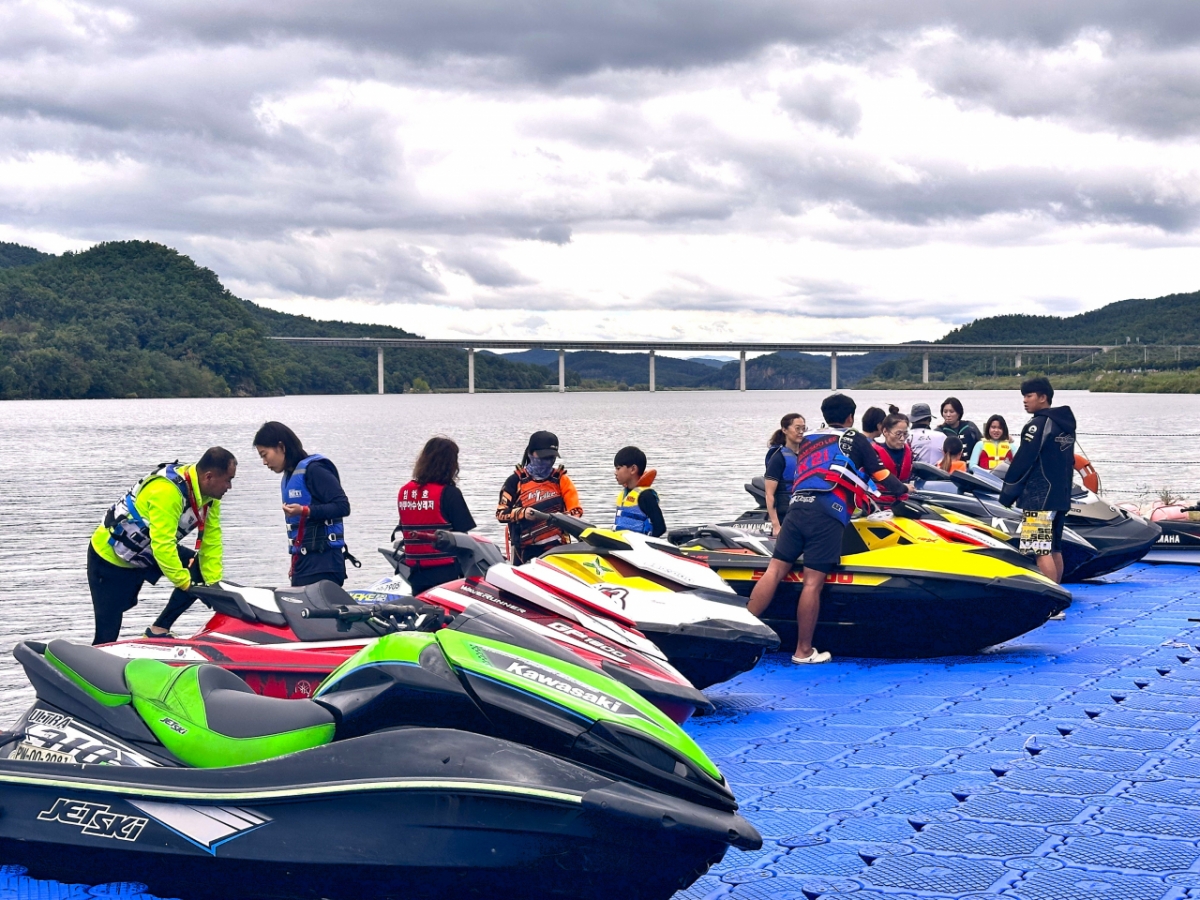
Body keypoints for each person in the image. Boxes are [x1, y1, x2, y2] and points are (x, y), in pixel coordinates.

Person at [747, 393, 907, 664]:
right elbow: (881, 476)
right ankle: (803, 651)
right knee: (812, 582)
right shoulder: (854, 438)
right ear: (850, 417)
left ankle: (744, 633)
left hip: (796, 508)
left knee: (774, 571)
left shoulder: (808, 438)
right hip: (827, 512)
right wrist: (904, 490)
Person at [87, 448, 236, 644]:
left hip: (146, 554)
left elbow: (212, 541)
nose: (230, 486)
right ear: (209, 477)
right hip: (109, 560)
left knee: (197, 568)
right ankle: (83, 669)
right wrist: (185, 584)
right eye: (228, 480)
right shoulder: (168, 492)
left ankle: (159, 629)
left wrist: (214, 586)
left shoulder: (209, 497)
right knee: (107, 636)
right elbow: (163, 546)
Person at [253, 422, 355, 588]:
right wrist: (294, 561)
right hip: (303, 565)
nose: (264, 462)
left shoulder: (315, 470)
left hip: (324, 564)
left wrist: (305, 511)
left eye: (265, 454)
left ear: (281, 447)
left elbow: (342, 506)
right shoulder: (290, 476)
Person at [999, 377, 1077, 584]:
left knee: (1039, 549)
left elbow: (1023, 460)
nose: (1025, 400)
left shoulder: (1038, 425)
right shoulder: (1065, 424)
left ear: (1043, 398)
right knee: (1055, 548)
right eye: (1023, 396)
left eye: (1029, 396)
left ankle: (1051, 604)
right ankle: (1059, 599)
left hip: (1039, 497)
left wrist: (1007, 493)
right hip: (1061, 495)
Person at [396, 436, 478, 594]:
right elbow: (464, 537)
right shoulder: (449, 493)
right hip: (447, 572)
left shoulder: (404, 492)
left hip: (416, 573)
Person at [496, 430, 583, 563]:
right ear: (530, 453)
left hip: (558, 549)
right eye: (543, 457)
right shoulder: (515, 481)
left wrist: (565, 517)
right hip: (524, 551)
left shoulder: (561, 480)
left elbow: (576, 511)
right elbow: (501, 514)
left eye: (551, 457)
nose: (547, 461)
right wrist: (522, 513)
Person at [764, 414, 806, 536]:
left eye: (803, 428)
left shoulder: (808, 455)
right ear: (784, 430)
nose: (801, 432)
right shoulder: (778, 458)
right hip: (785, 514)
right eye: (797, 428)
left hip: (805, 512)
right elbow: (769, 494)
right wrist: (776, 526)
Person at [613, 446, 666, 537]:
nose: (615, 472)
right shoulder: (624, 494)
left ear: (633, 469)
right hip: (622, 545)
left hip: (638, 547)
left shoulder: (646, 496)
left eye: (618, 468)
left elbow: (660, 527)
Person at [873, 412, 912, 507]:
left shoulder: (909, 452)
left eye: (905, 434)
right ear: (885, 431)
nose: (902, 438)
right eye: (898, 434)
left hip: (903, 505)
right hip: (878, 506)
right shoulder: (874, 454)